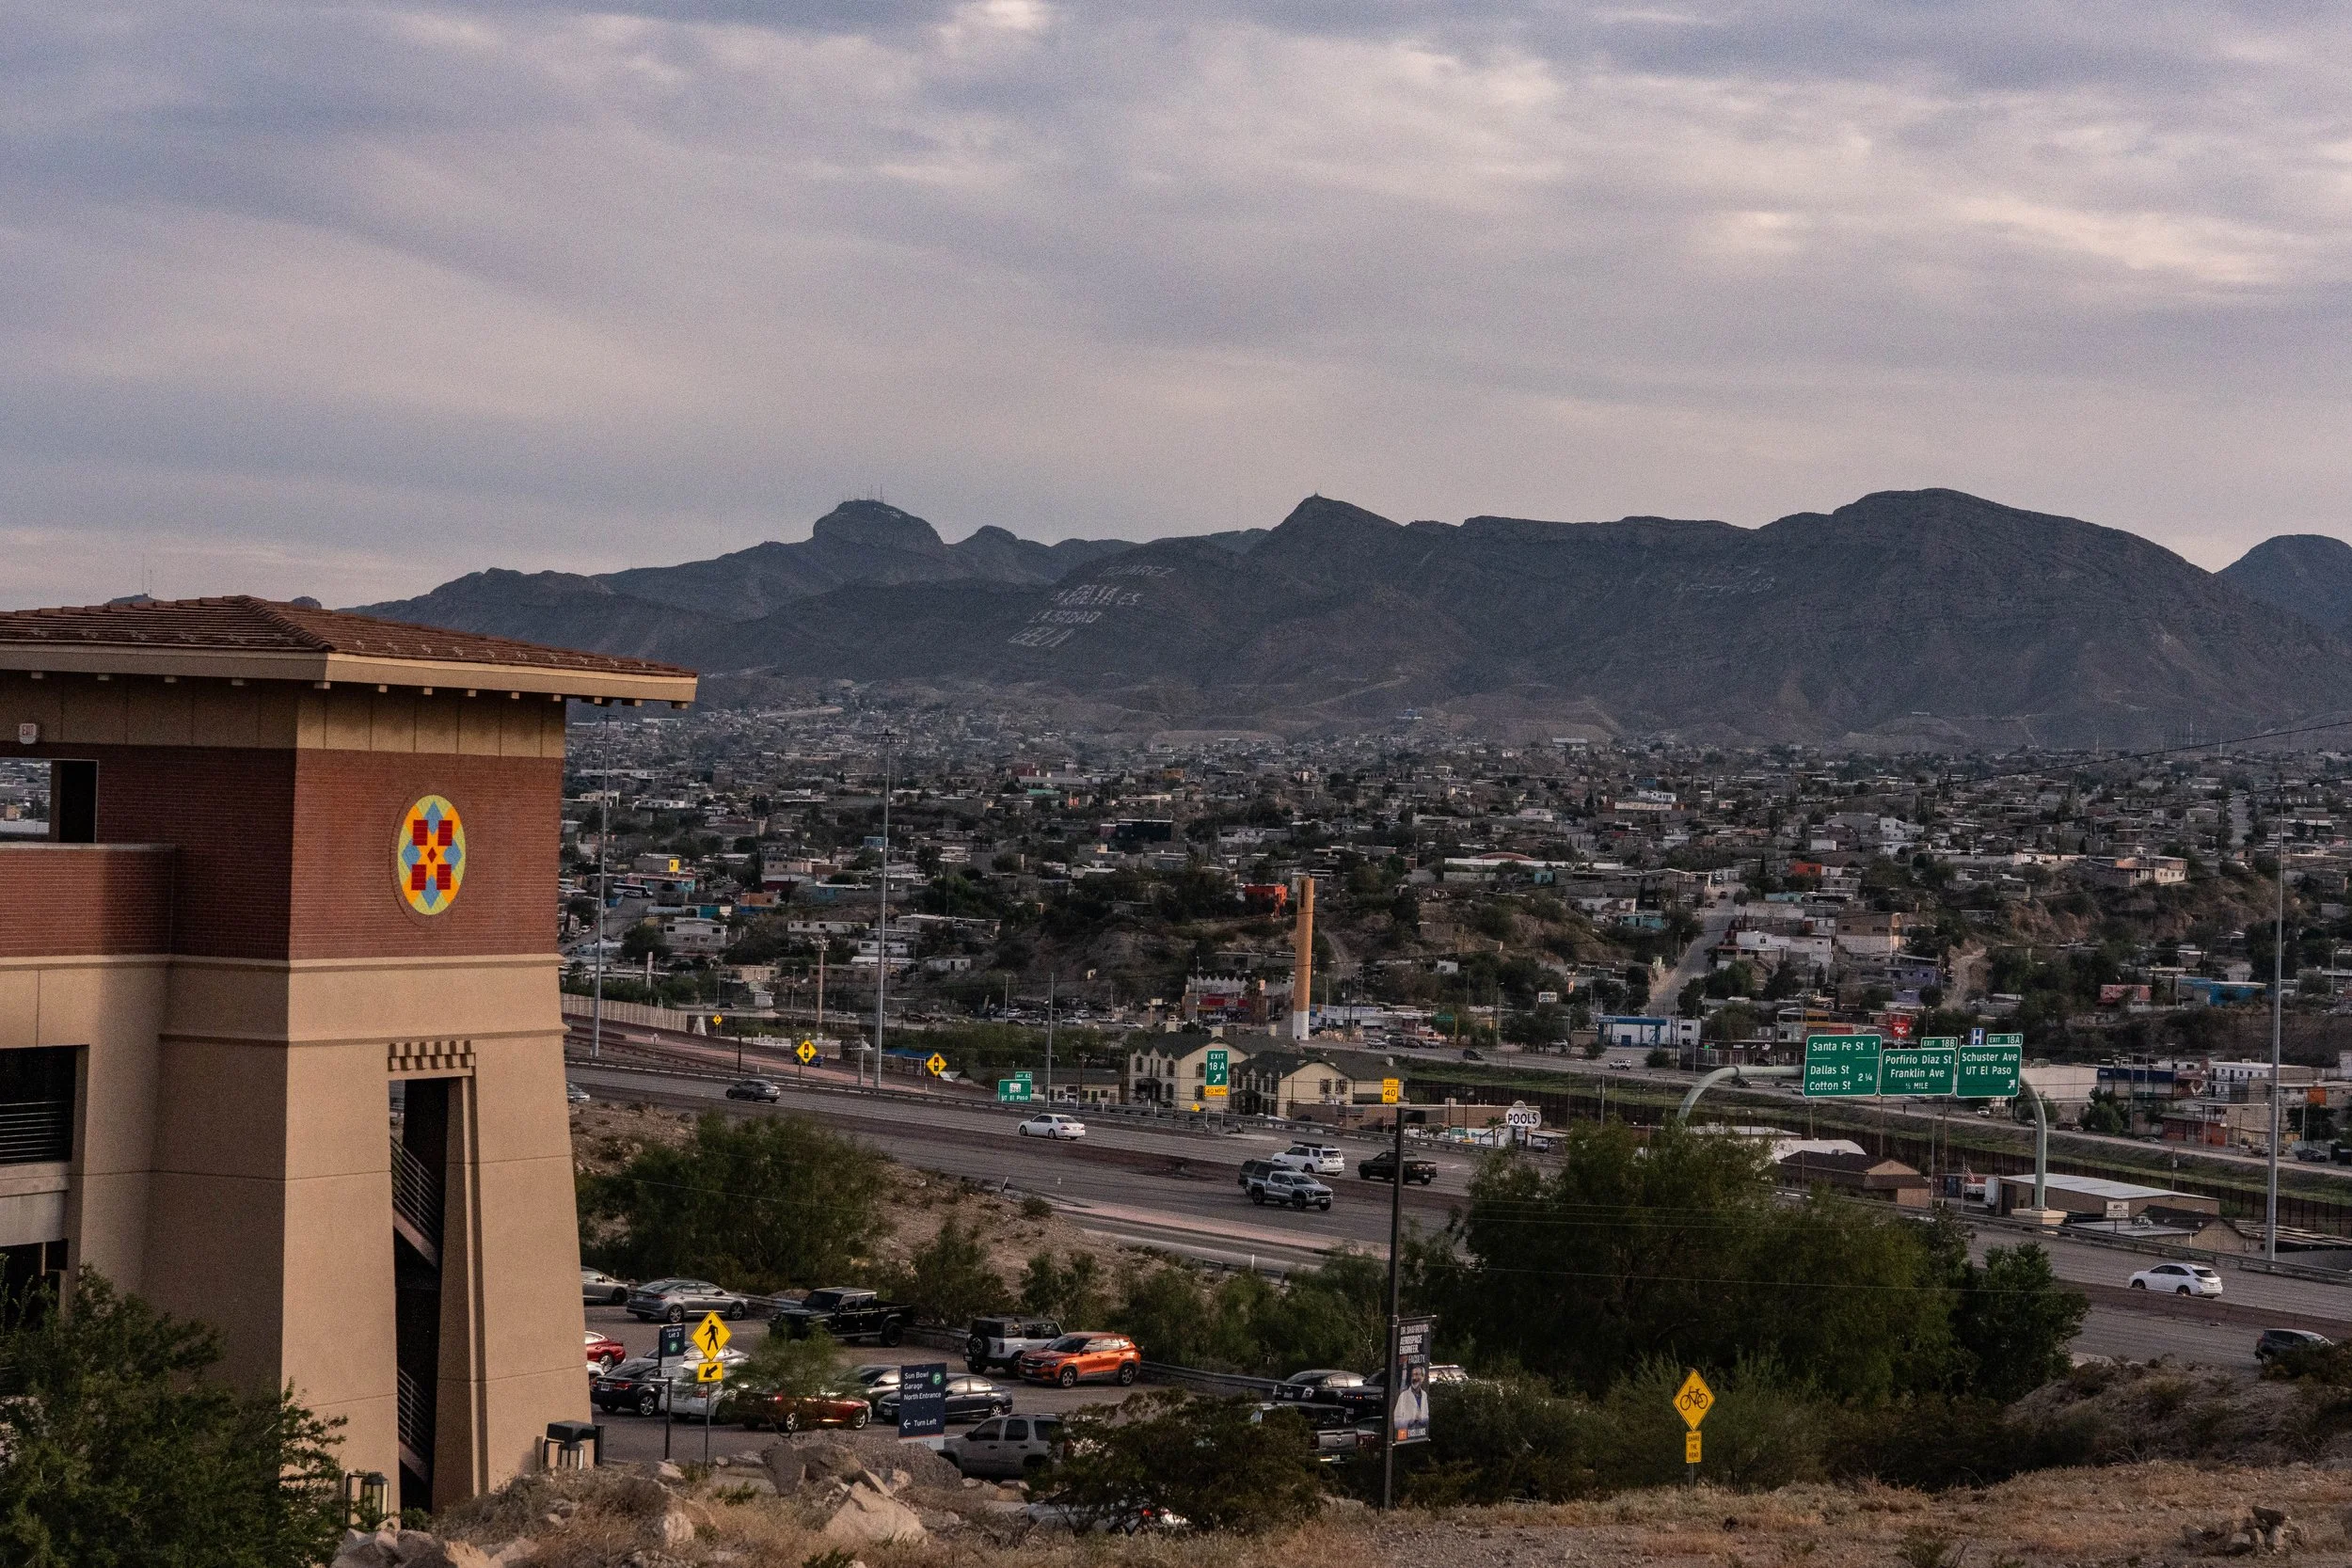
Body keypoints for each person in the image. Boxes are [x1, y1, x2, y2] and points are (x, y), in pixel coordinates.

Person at [1391, 1361, 1429, 1442]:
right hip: (1406, 1437)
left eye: (1417, 1374)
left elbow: (1426, 1416)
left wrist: (1421, 1419)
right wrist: (1410, 1421)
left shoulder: (1424, 1395)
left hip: (1420, 1438)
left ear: (1423, 1377)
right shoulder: (1403, 1396)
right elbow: (1396, 1420)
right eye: (1412, 1375)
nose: (1414, 1378)